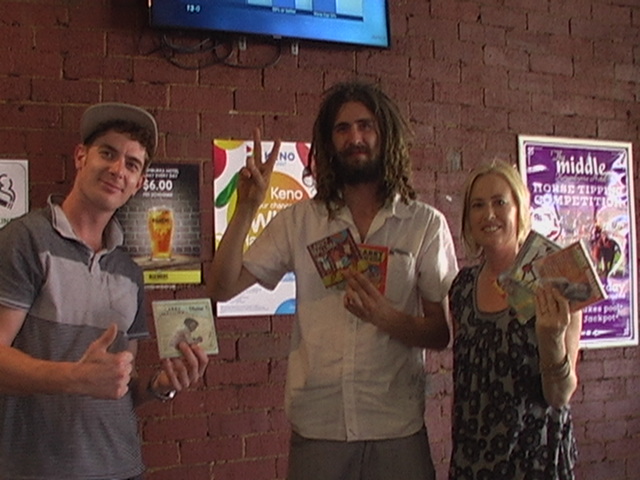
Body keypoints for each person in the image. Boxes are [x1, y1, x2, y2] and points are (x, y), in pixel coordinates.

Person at [207, 81, 458, 480]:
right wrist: (247, 208)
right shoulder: (299, 221)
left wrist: (386, 318)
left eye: (365, 125)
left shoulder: (425, 224)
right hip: (318, 429)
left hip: (397, 429)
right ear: (327, 143)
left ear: (386, 134)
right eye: (342, 129)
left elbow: (441, 332)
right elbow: (221, 288)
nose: (354, 138)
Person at [0, 102, 209, 480]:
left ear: (139, 182)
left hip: (121, 467)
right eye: (108, 153)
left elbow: (120, 387)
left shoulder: (129, 272)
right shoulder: (26, 240)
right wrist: (73, 378)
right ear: (81, 157)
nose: (118, 170)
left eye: (132, 164)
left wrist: (160, 386)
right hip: (37, 469)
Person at [448, 159, 581, 479]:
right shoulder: (462, 287)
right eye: (478, 205)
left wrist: (551, 338)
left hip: (536, 458)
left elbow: (560, 395)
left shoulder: (555, 282)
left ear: (519, 209)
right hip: (473, 459)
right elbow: (464, 381)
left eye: (500, 202)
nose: (489, 214)